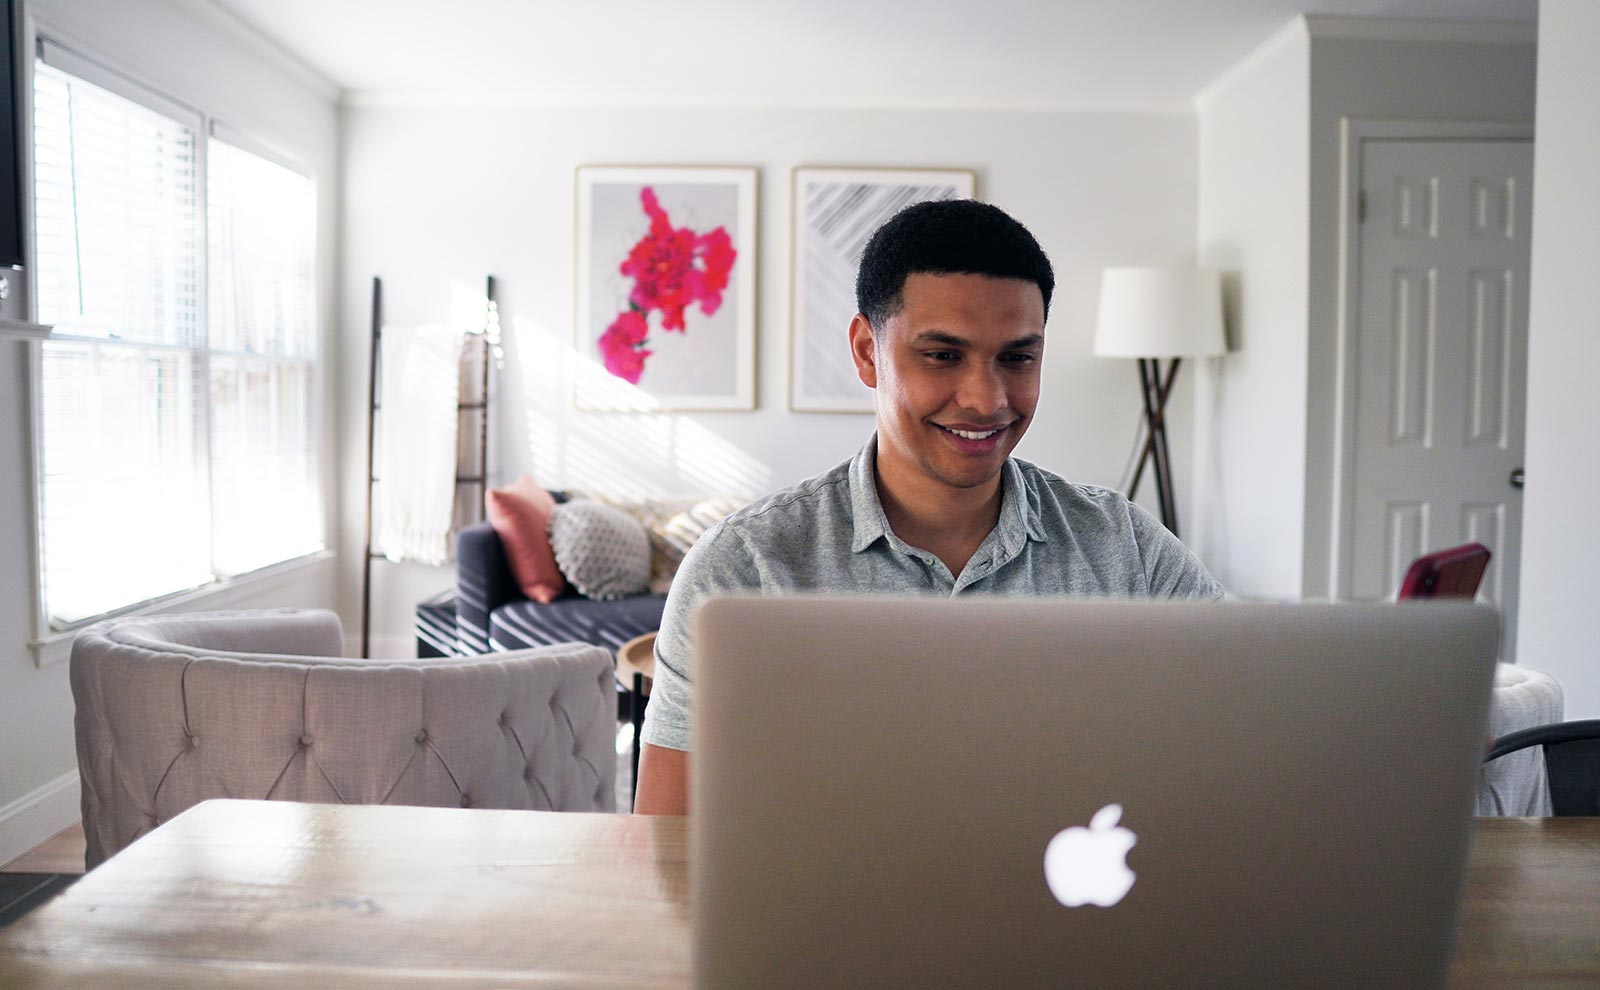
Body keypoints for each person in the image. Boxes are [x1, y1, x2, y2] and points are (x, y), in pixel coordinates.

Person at [633, 199, 1225, 815]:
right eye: (943, 356)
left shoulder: (1124, 549)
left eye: (1017, 358)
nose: (986, 398)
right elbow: (662, 847)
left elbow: (1247, 733)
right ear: (867, 351)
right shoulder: (744, 567)